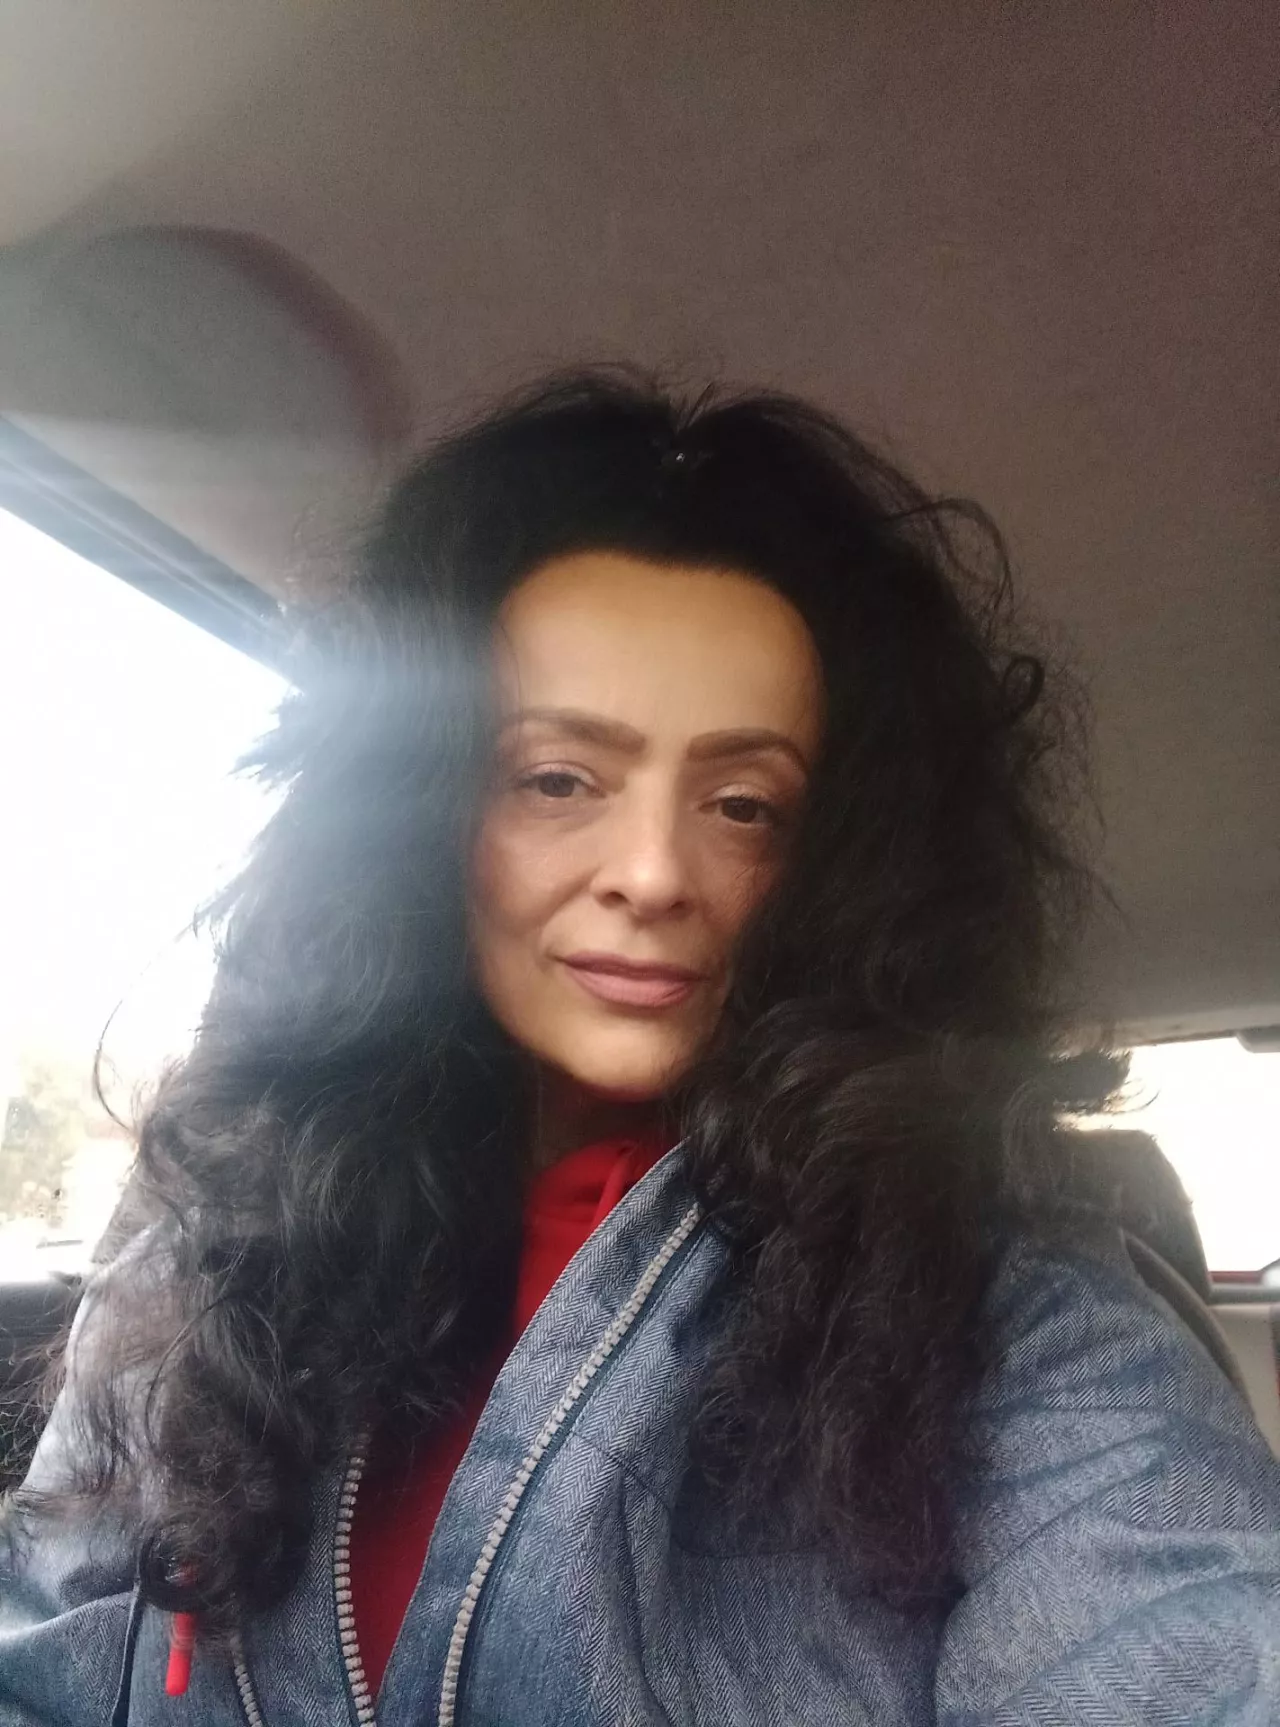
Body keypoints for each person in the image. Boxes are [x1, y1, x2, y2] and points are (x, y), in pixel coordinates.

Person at [2, 369, 1278, 1726]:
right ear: (420, 814)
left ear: (843, 863)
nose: (656, 871)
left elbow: (1184, 1634)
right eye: (557, 779)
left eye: (745, 804)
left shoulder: (1011, 1308)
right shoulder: (206, 1252)